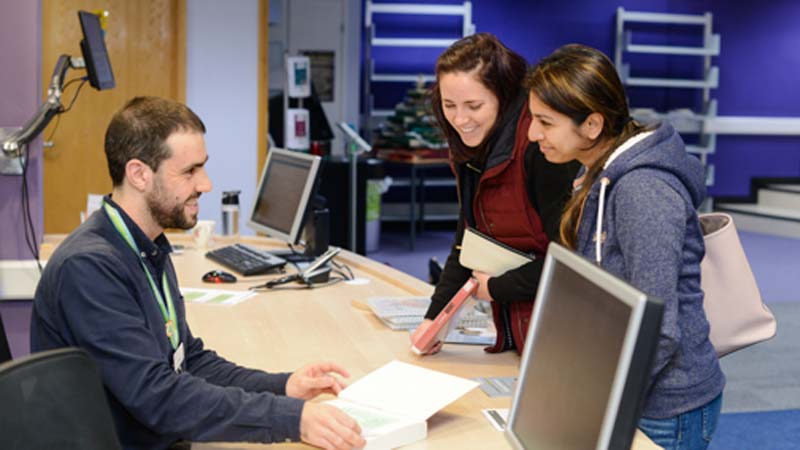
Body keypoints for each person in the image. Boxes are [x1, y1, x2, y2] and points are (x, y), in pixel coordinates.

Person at [30, 97, 366, 450]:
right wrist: (290, 418)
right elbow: (159, 397)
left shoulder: (145, 245)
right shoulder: (90, 268)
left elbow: (186, 359)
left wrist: (283, 387)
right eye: (189, 171)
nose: (205, 184)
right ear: (139, 174)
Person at [525, 44, 725, 449]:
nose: (532, 134)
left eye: (545, 122)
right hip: (633, 388)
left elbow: (659, 327)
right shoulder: (599, 176)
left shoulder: (641, 190)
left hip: (664, 403)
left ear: (593, 125)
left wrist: (602, 398)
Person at [410, 33, 579, 355]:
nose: (460, 119)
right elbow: (468, 239)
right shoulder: (472, 145)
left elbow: (571, 258)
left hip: (560, 329)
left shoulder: (540, 147)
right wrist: (434, 320)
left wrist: (498, 288)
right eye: (449, 105)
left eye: (474, 106)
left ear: (502, 95)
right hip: (520, 324)